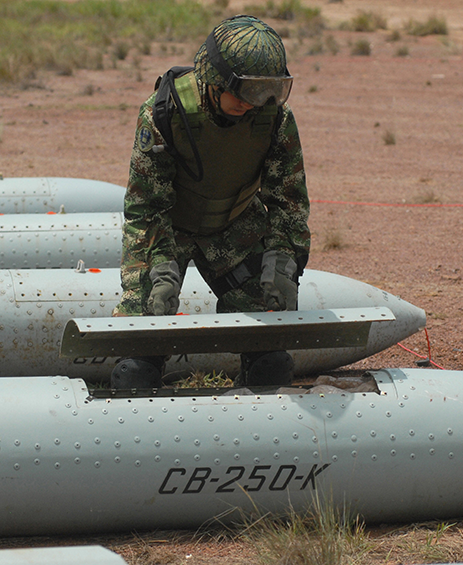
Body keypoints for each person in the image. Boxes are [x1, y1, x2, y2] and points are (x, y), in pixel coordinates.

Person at [111, 15, 311, 389]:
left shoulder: (274, 120)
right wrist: (158, 268)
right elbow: (145, 210)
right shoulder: (163, 116)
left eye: (264, 92)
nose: (252, 104)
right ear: (214, 80)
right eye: (244, 92)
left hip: (235, 229)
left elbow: (288, 202)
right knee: (138, 358)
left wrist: (285, 259)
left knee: (270, 356)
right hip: (167, 232)